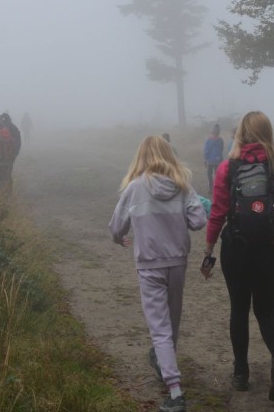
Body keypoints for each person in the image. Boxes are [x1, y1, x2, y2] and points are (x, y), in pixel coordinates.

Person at [201, 111, 274, 401]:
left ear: (240, 133)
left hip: (237, 248)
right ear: (268, 132)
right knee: (266, 311)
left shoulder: (228, 167)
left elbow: (217, 213)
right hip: (272, 246)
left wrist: (208, 251)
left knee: (239, 309)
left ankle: (241, 374)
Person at [109, 136, 207, 412]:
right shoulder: (183, 186)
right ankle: (163, 360)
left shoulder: (134, 188)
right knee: (171, 324)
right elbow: (198, 221)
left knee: (159, 328)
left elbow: (116, 227)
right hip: (177, 263)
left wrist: (120, 239)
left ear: (141, 156)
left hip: (149, 264)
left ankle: (175, 393)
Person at [202, 123, 224, 194]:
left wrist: (205, 159)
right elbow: (221, 149)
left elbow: (206, 151)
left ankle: (211, 188)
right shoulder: (220, 140)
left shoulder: (208, 140)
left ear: (212, 133)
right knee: (217, 174)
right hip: (218, 160)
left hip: (210, 161)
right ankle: (217, 188)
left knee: (209, 174)